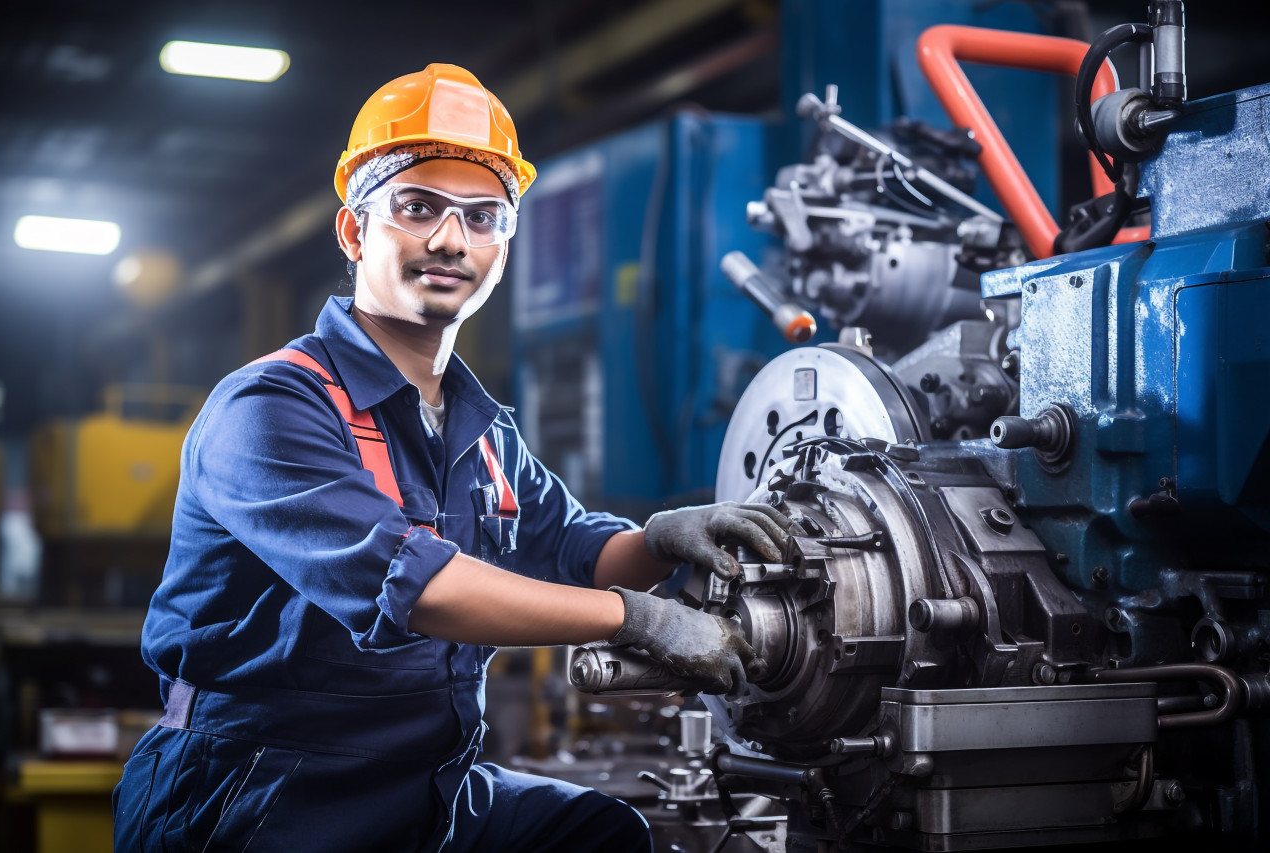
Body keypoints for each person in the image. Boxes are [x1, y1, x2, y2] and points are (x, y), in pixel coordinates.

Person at [112, 63, 792, 853]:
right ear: (355, 230)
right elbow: (417, 584)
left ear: (504, 247)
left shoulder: (481, 429)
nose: (449, 239)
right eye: (417, 206)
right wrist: (637, 618)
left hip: (423, 781)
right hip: (254, 789)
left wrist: (664, 539)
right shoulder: (270, 409)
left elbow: (574, 550)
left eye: (482, 216)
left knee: (596, 834)